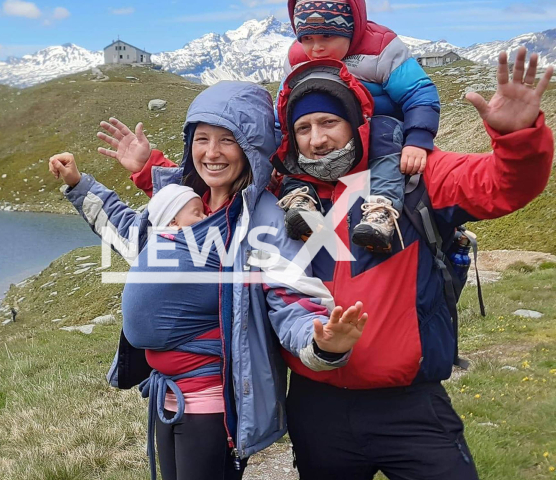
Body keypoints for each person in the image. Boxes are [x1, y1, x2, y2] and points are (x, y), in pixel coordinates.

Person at [48, 80, 368, 480]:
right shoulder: (185, 201)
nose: (211, 153)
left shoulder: (265, 217)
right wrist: (80, 186)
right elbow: (133, 237)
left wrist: (322, 343)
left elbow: (290, 298)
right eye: (202, 139)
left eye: (227, 140)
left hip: (211, 403)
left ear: (251, 148)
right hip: (164, 393)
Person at [270, 48, 553, 479]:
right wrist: (147, 173)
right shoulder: (286, 197)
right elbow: (209, 191)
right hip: (316, 405)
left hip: (411, 405)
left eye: (329, 122)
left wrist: (517, 141)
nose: (317, 139)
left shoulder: (414, 174)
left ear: (356, 122)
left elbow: (501, 188)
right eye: (303, 127)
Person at [276, 0, 441, 252]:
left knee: (383, 137)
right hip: (330, 132)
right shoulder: (296, 57)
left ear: (351, 26)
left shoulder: (381, 48)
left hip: (378, 129)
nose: (316, 48)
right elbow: (284, 106)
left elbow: (418, 93)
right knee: (302, 139)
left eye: (327, 36)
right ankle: (300, 199)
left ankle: (381, 208)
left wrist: (417, 140)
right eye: (306, 38)